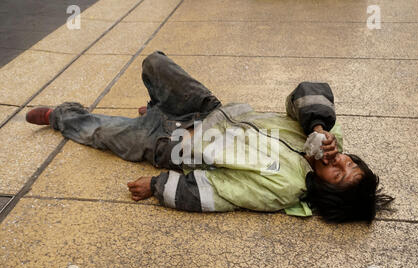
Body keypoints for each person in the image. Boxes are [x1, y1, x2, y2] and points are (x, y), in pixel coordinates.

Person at [26, 51, 394, 223]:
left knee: (100, 132)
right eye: (350, 164)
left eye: (340, 176)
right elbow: (309, 90)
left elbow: (220, 193)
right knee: (154, 63)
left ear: (325, 190)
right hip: (207, 109)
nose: (339, 162)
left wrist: (158, 186)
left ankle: (61, 116)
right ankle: (159, 105)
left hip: (169, 145)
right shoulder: (324, 132)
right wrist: (317, 126)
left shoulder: (285, 186)